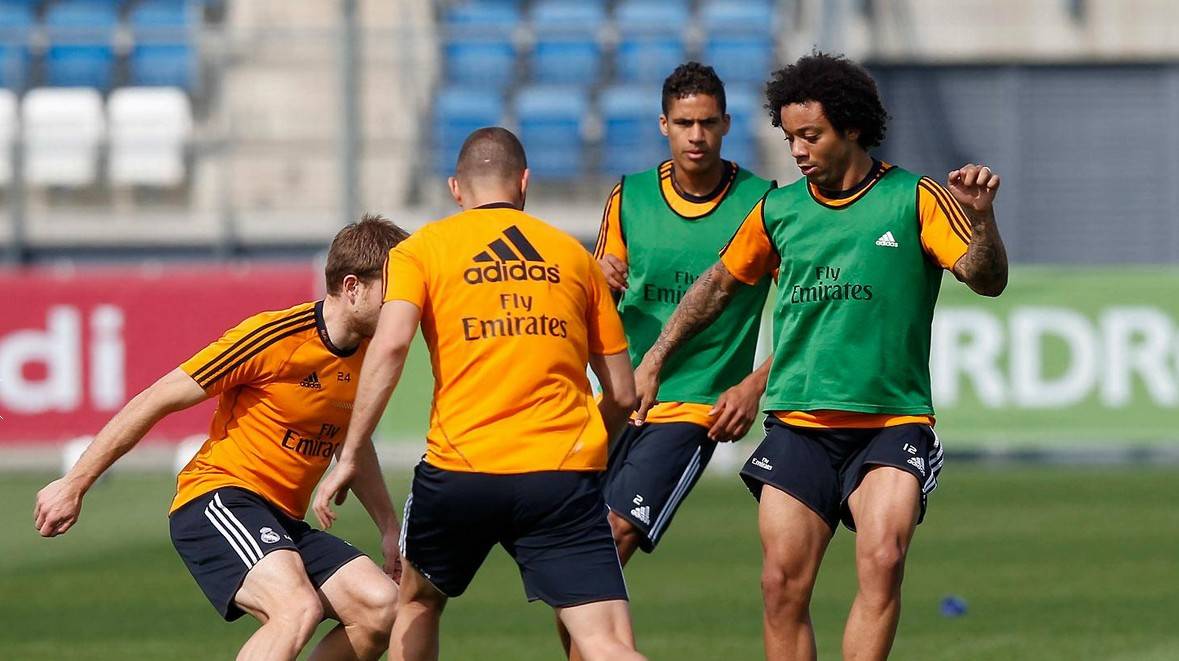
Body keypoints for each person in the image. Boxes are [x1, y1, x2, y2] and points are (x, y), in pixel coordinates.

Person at [632, 52, 1009, 661]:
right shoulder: (779, 210)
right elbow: (716, 287)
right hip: (799, 425)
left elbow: (985, 278)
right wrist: (655, 356)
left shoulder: (914, 197)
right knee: (781, 586)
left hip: (890, 422)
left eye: (811, 135)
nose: (798, 151)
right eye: (790, 138)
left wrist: (982, 221)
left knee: (883, 558)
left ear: (852, 127)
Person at [313, 127, 645, 661]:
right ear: (525, 182)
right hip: (559, 473)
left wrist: (350, 454)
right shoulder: (575, 257)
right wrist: (579, 443)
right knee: (605, 642)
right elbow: (624, 393)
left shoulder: (421, 251)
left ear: (455, 189)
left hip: (460, 469)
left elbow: (391, 345)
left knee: (417, 602)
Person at [34, 215, 410, 661]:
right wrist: (75, 483)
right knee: (296, 608)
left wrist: (388, 526)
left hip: (283, 520)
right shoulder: (273, 337)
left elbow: (353, 442)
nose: (403, 304)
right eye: (393, 290)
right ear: (352, 287)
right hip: (219, 499)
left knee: (382, 608)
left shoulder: (371, 355)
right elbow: (157, 398)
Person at [594, 61, 775, 563]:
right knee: (576, 541)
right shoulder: (629, 196)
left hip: (694, 404)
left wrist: (753, 385)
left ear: (726, 124)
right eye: (684, 123)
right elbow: (596, 308)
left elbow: (808, 314)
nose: (696, 135)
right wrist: (595, 278)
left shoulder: (762, 203)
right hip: (622, 396)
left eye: (708, 122)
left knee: (615, 532)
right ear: (664, 125)